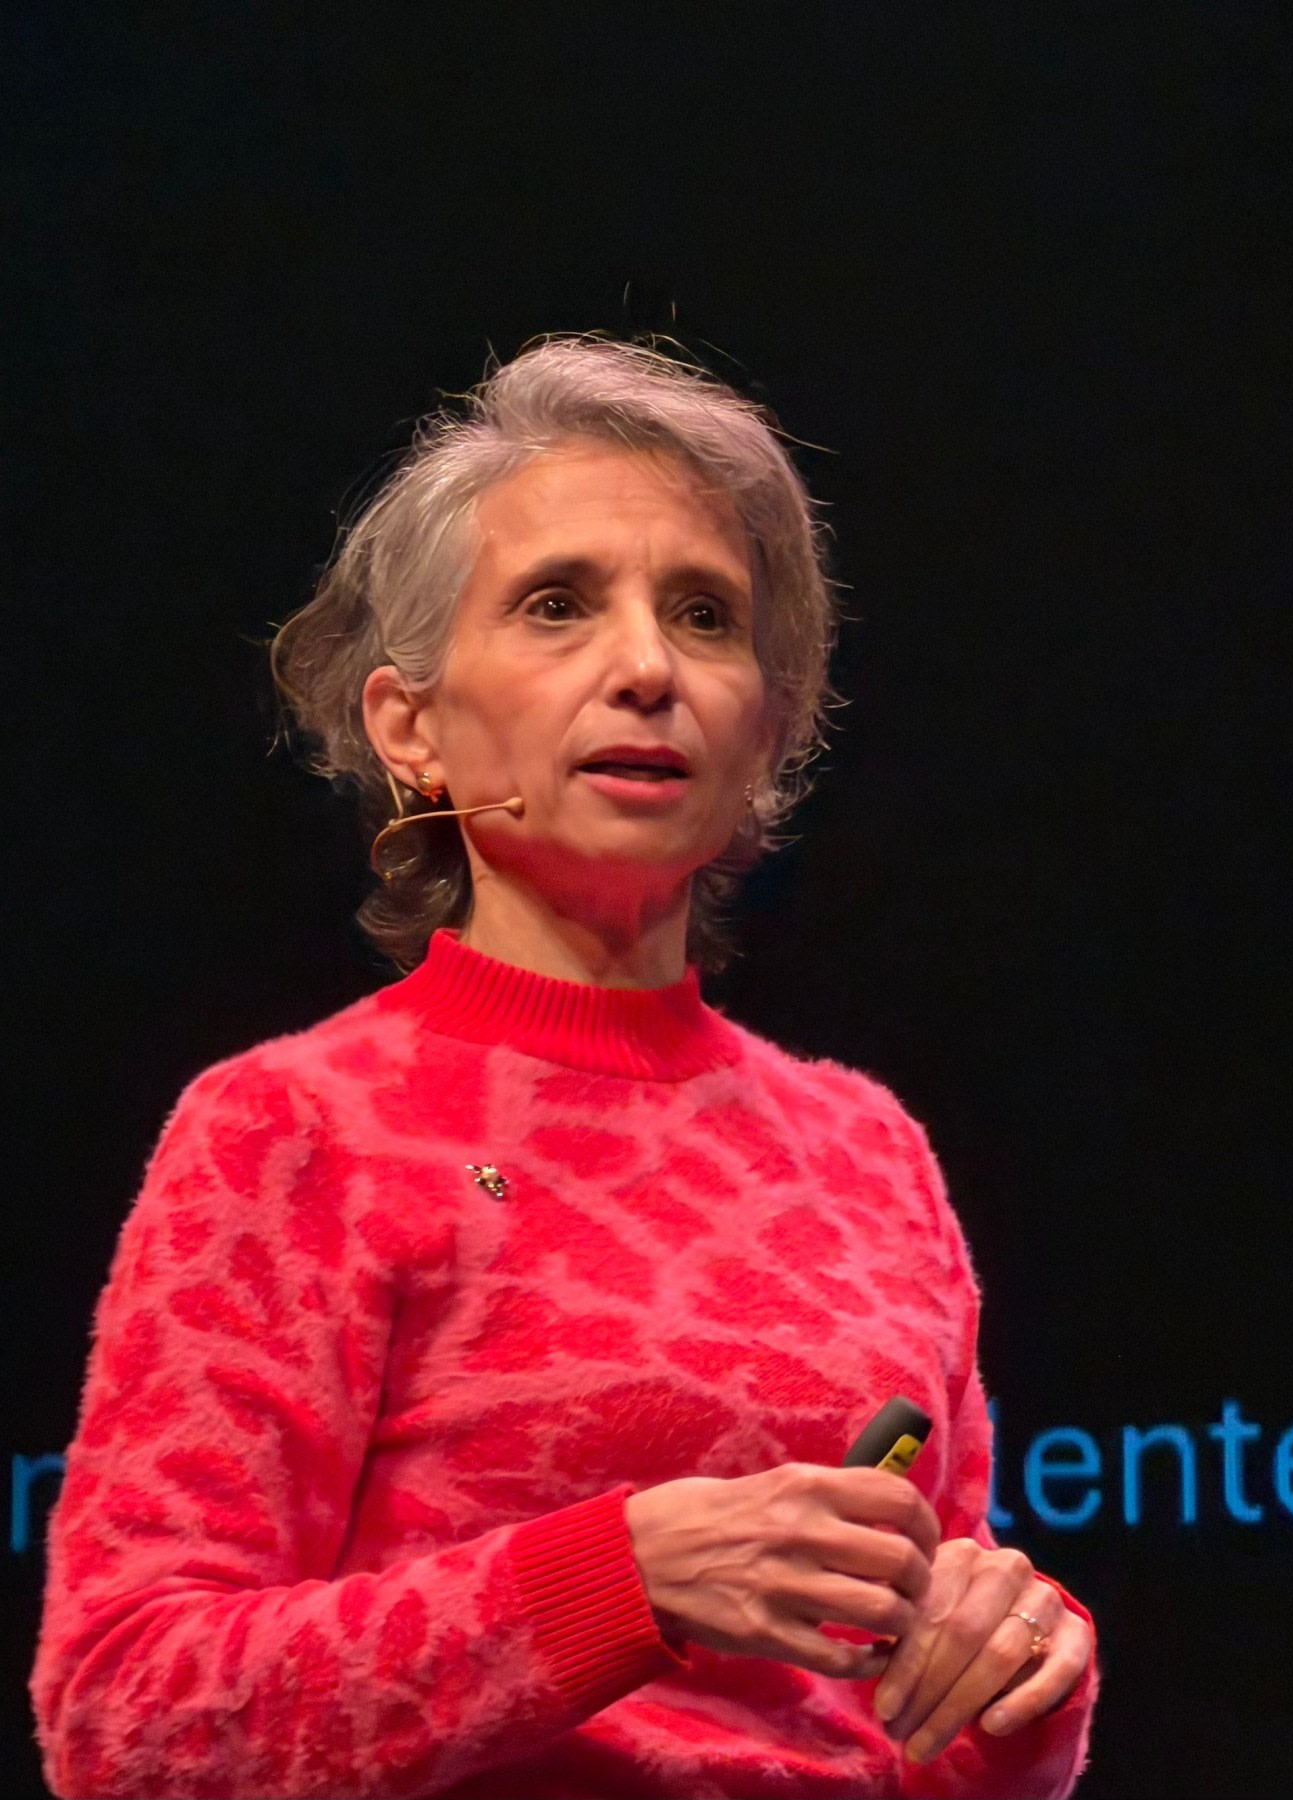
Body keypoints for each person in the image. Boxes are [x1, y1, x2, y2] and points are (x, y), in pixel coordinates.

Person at [31, 337, 1098, 1799]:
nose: (647, 668)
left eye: (706, 619)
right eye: (556, 605)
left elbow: (920, 1730)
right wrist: (623, 1582)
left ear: (764, 736)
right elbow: (130, 1715)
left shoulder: (866, 1149)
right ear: (410, 729)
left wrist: (1008, 1699)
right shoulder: (291, 1127)